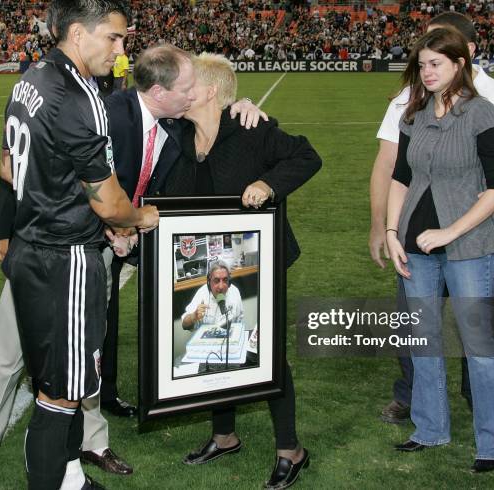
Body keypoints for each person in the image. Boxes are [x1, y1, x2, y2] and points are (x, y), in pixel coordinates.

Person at [0, 1, 159, 488]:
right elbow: (110, 203)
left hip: (32, 245)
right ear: (76, 33)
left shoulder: (31, 78)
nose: (121, 49)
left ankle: (71, 478)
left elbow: (9, 166)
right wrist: (140, 216)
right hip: (63, 259)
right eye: (113, 38)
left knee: (57, 380)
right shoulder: (77, 94)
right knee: (61, 395)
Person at [164, 52, 321, 489]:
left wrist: (268, 185)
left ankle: (291, 449)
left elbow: (307, 157)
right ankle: (224, 434)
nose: (180, 89)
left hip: (260, 263)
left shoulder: (252, 129)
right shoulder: (179, 134)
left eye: (188, 83)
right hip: (210, 264)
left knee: (266, 352)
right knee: (216, 342)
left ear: (210, 91)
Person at [369, 12, 494, 424]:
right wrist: (381, 224)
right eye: (424, 54)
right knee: (416, 329)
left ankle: (482, 402)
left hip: (475, 234)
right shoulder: (410, 99)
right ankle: (414, 400)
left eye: (439, 53)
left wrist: (478, 197)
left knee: (480, 328)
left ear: (466, 53)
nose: (428, 63)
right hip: (417, 235)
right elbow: (391, 164)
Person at [99, 43, 267, 420]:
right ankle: (78, 397)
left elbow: (216, 118)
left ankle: (105, 392)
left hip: (134, 231)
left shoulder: (176, 122)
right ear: (162, 92)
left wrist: (245, 106)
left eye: (194, 88)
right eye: (185, 88)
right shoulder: (114, 113)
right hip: (97, 227)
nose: (189, 95)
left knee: (108, 315)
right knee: (93, 318)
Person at [386, 27, 494, 473]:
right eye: (422, 65)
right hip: (414, 248)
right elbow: (401, 176)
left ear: (460, 64)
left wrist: (448, 232)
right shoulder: (414, 113)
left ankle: (493, 444)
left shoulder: (482, 113)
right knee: (424, 342)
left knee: (480, 346)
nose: (426, 72)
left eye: (435, 64)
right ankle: (429, 429)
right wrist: (390, 230)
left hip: (471, 246)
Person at [181, 260, 243, 330]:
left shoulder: (234, 292)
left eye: (225, 280)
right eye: (216, 281)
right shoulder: (202, 293)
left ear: (229, 282)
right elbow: (184, 325)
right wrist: (193, 316)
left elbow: (240, 322)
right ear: (209, 282)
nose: (221, 287)